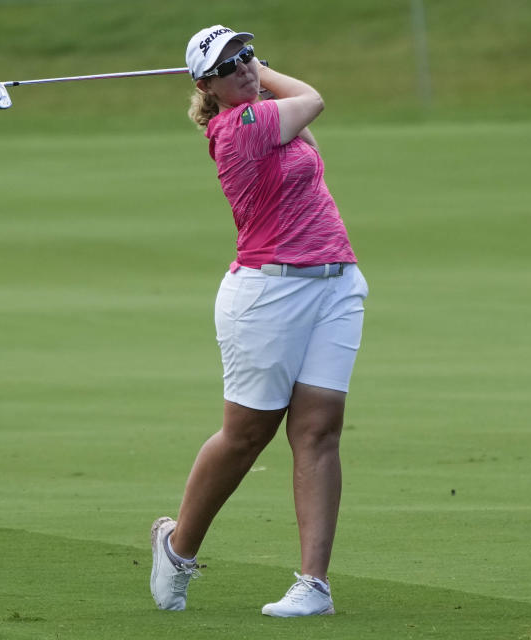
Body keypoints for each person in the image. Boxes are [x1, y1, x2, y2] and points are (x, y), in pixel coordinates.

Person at [150, 25, 368, 618]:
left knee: (319, 428)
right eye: (228, 65)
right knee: (248, 435)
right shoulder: (237, 129)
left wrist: (250, 69)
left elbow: (300, 99)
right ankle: (177, 548)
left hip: (336, 286)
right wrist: (262, 75)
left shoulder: (265, 112)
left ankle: (313, 585)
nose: (244, 68)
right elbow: (314, 97)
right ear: (207, 87)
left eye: (246, 55)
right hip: (267, 295)